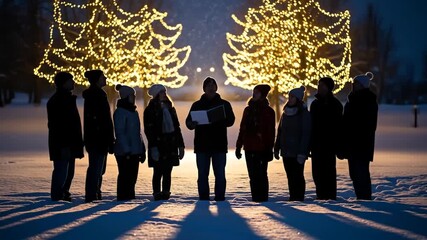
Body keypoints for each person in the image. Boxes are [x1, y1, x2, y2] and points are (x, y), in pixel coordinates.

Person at [186, 77, 235, 201]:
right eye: (208, 85)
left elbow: (231, 121)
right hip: (202, 145)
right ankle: (203, 198)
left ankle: (220, 198)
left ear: (216, 88)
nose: (211, 87)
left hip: (219, 145)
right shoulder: (196, 105)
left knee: (220, 174)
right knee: (202, 175)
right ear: (204, 89)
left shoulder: (224, 104)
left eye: (213, 85)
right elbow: (188, 122)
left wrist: (220, 118)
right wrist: (192, 124)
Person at [339, 72, 378, 200]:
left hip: (362, 144)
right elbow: (345, 122)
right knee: (354, 173)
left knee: (361, 172)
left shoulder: (368, 101)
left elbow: (369, 124)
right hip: (351, 144)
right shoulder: (351, 101)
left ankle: (365, 198)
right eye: (354, 84)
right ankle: (360, 196)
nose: (354, 86)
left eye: (357, 84)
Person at [47, 72, 84, 201]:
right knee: (62, 170)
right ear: (63, 83)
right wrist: (64, 144)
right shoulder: (58, 101)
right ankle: (58, 196)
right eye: (70, 80)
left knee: (68, 171)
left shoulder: (67, 99)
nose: (73, 82)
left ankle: (63, 192)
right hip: (62, 143)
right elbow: (57, 126)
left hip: (69, 143)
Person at [144, 84, 185, 201]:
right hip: (158, 144)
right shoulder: (151, 110)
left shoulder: (170, 108)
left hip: (170, 145)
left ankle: (166, 192)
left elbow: (177, 128)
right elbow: (149, 130)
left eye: (164, 92)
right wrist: (153, 147)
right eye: (161, 92)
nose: (164, 94)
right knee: (157, 171)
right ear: (156, 95)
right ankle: (157, 193)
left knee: (168, 171)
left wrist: (180, 145)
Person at [235, 84, 275, 202]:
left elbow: (271, 132)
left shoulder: (268, 111)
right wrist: (239, 145)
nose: (254, 94)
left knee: (262, 175)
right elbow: (242, 128)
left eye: (257, 92)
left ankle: (263, 199)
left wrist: (269, 149)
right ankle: (255, 198)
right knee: (252, 176)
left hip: (262, 148)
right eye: (253, 92)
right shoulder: (248, 110)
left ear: (262, 95)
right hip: (249, 147)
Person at [83, 70, 115, 203]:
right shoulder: (96, 96)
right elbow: (102, 120)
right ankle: (92, 193)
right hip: (98, 139)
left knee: (98, 168)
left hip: (98, 138)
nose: (105, 78)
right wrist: (108, 137)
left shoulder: (98, 95)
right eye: (102, 77)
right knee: (96, 167)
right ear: (97, 79)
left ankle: (95, 191)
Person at [274, 86, 311, 201]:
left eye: (292, 97)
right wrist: (277, 147)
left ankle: (298, 198)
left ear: (298, 99)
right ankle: (293, 197)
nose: (290, 99)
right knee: (290, 176)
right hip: (286, 150)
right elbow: (280, 131)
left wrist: (302, 152)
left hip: (297, 151)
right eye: (289, 96)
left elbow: (306, 134)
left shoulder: (303, 114)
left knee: (297, 176)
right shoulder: (286, 113)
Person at [310, 77, 343, 200]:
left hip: (329, 145)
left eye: (323, 85)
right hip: (316, 144)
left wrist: (338, 145)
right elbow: (311, 125)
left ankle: (329, 197)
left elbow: (339, 127)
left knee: (328, 172)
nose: (320, 87)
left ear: (328, 88)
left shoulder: (335, 104)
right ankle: (321, 196)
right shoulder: (315, 104)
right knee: (317, 173)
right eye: (319, 85)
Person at [113, 84, 146, 201]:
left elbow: (137, 133)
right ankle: (123, 197)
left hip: (134, 151)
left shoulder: (133, 111)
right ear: (126, 96)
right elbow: (120, 133)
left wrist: (141, 148)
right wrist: (126, 149)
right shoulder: (120, 112)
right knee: (125, 176)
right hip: (124, 152)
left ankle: (130, 197)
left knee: (132, 177)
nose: (134, 97)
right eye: (132, 95)